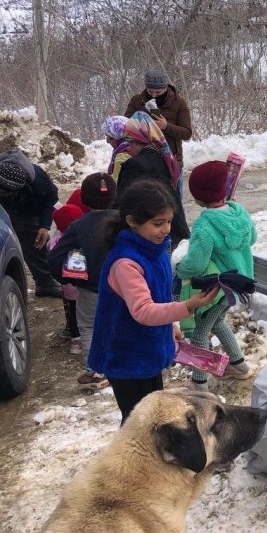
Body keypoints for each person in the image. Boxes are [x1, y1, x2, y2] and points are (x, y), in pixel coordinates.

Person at [87, 179, 216, 422]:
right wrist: (187, 306)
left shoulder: (154, 249)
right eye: (158, 223)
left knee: (154, 416)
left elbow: (161, 296)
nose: (166, 229)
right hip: (126, 355)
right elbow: (144, 311)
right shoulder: (126, 263)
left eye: (169, 221)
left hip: (148, 349)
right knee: (138, 422)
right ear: (132, 221)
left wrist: (170, 326)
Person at [175, 160, 257, 392]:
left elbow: (196, 263)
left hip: (217, 288)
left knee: (200, 331)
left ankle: (199, 383)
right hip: (239, 283)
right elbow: (252, 239)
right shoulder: (239, 213)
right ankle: (239, 366)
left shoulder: (205, 225)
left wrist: (180, 268)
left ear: (198, 197)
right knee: (218, 322)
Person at [49, 172, 119, 390]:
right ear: (114, 196)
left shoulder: (78, 226)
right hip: (123, 287)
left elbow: (55, 259)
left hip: (91, 289)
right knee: (119, 324)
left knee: (89, 328)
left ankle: (96, 370)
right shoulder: (124, 220)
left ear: (84, 199)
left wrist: (69, 278)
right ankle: (120, 363)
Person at [116, 111, 190, 245]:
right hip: (174, 229)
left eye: (130, 142)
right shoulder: (165, 158)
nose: (130, 148)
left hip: (154, 237)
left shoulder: (136, 165)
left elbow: (123, 203)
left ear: (138, 141)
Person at [0, 150, 62, 297]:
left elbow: (51, 199)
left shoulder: (38, 179)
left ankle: (45, 283)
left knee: (35, 239)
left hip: (27, 209)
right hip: (6, 207)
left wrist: (44, 226)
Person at [124, 70, 193, 170]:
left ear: (166, 88)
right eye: (150, 91)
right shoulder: (137, 101)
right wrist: (144, 115)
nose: (154, 95)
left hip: (171, 161)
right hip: (142, 160)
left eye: (158, 92)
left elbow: (187, 133)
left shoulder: (179, 103)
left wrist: (166, 126)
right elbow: (126, 126)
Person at [49, 189, 91, 353]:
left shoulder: (57, 239)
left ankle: (75, 341)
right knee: (86, 312)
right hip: (85, 285)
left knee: (72, 312)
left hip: (67, 286)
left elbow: (52, 257)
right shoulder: (83, 239)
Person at [101, 115, 132, 181]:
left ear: (117, 136)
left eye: (109, 137)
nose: (107, 141)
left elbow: (116, 184)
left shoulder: (122, 156)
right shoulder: (135, 148)